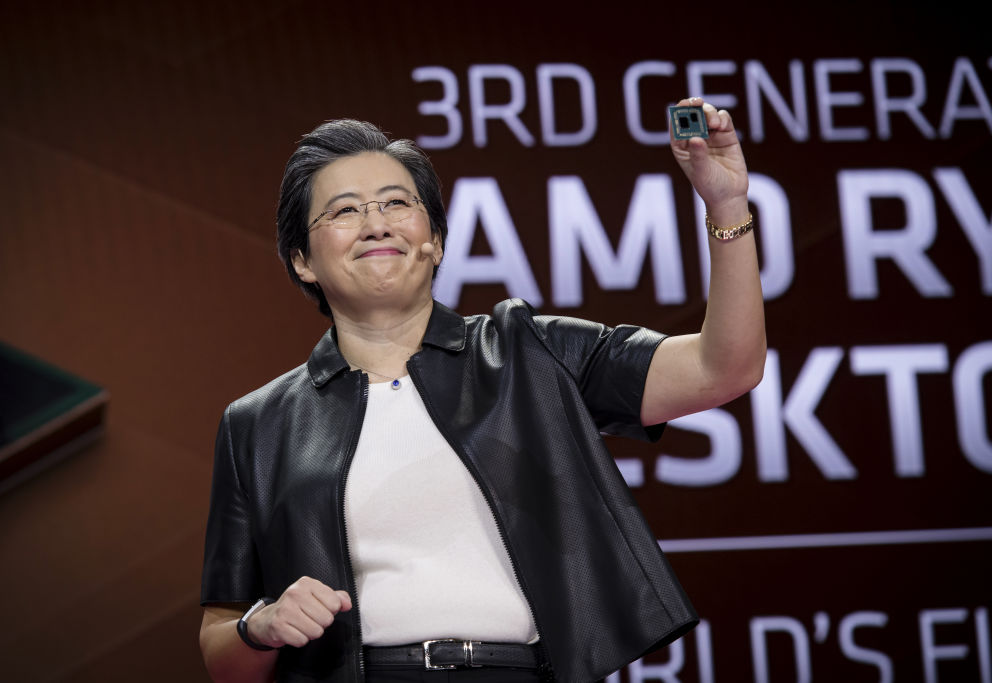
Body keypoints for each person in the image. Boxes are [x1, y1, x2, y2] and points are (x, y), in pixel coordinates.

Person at [199, 97, 766, 683]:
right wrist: (258, 627)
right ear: (302, 260)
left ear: (436, 241)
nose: (377, 222)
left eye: (398, 203)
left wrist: (726, 204)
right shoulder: (257, 424)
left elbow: (723, 369)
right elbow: (222, 649)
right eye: (344, 211)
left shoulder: (529, 352)